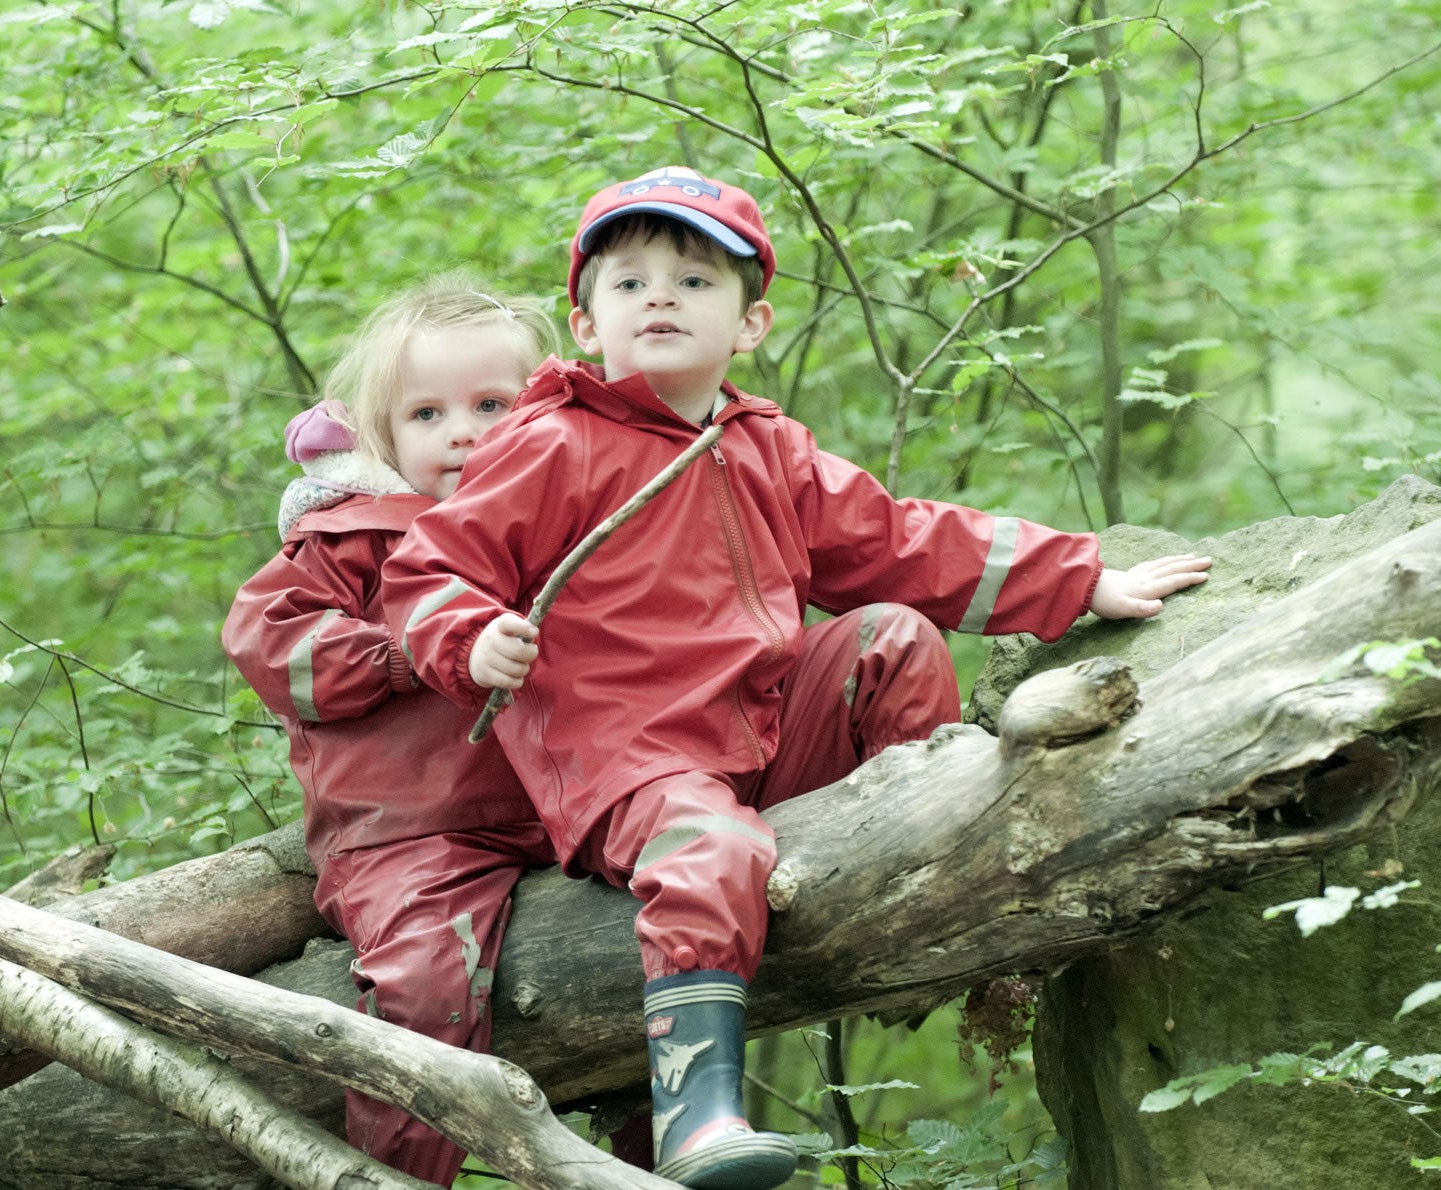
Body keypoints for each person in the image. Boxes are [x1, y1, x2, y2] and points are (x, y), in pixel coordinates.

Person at [381, 166, 1210, 1190]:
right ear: (584, 325)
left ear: (751, 321)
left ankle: (925, 867)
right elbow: (428, 569)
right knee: (712, 841)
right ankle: (695, 1112)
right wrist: (469, 636)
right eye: (629, 281)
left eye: (693, 279)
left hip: (765, 739)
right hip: (626, 764)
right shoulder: (547, 443)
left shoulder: (764, 446)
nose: (660, 298)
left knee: (891, 635)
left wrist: (1081, 573)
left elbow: (900, 539)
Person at [221, 274, 562, 1186]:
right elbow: (271, 646)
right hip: (413, 835)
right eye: (427, 414)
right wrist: (409, 651)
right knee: (426, 991)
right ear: (380, 436)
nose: (464, 430)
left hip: (570, 808)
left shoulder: (560, 528)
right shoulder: (354, 538)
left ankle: (671, 1147)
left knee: (683, 910)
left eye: (494, 403)